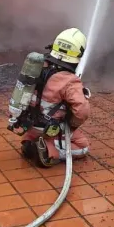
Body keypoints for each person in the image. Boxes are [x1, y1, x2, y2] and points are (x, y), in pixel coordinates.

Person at [20, 28, 91, 167]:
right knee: (82, 146)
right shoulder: (70, 81)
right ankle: (48, 151)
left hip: (29, 122)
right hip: (50, 128)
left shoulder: (39, 67)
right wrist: (72, 124)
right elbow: (82, 111)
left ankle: (29, 141)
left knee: (38, 128)